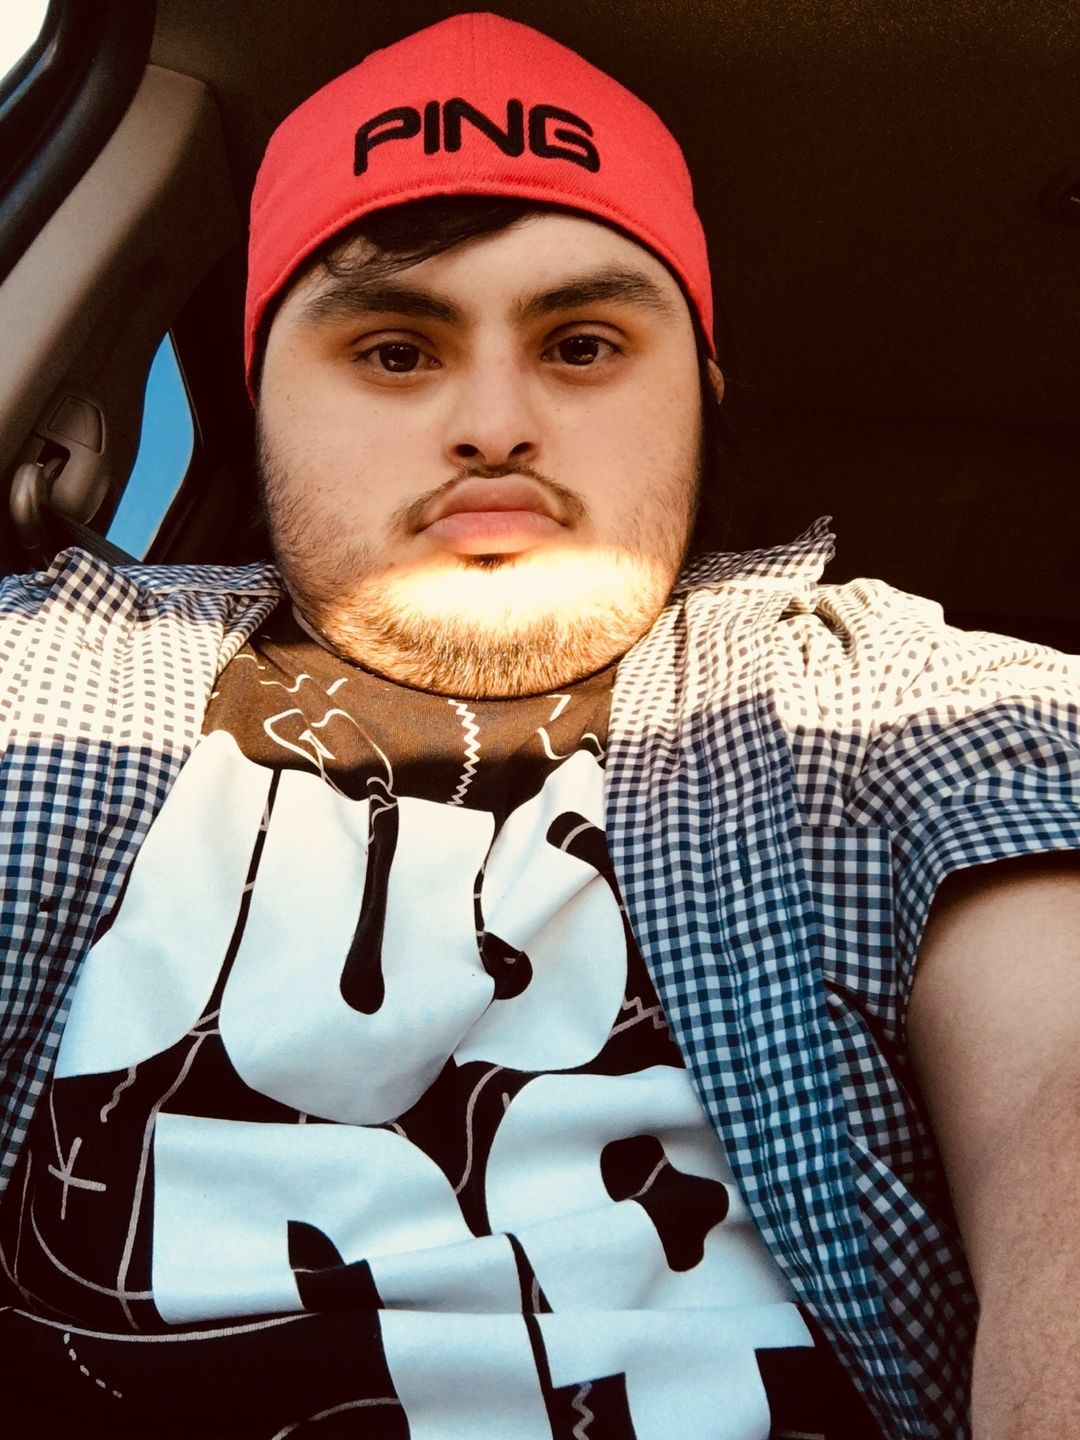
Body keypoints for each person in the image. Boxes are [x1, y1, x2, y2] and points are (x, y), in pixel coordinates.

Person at [0, 12, 1077, 1439]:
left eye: (581, 343)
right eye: (396, 350)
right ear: (261, 400)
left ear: (698, 394)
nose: (495, 422)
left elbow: (1057, 1073)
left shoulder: (887, 696)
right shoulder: (46, 677)